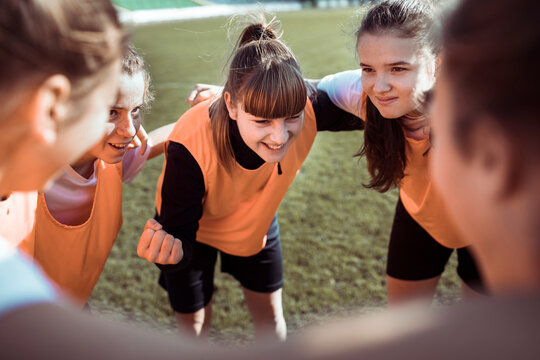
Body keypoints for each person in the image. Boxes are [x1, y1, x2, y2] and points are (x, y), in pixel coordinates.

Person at [136, 16, 362, 342]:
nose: (279, 136)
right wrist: (171, 256)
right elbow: (180, 235)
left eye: (292, 117)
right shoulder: (192, 142)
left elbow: (378, 99)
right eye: (262, 120)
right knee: (194, 330)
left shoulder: (308, 106)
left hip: (254, 223)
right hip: (195, 234)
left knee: (271, 321)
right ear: (230, 104)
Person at [317, 0, 485, 306]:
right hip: (421, 215)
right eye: (368, 68)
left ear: (438, 61)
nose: (379, 86)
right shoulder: (363, 93)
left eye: (398, 68)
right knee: (403, 319)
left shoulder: (479, 106)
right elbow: (299, 90)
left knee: (485, 336)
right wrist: (227, 97)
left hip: (489, 226)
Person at [4, 45, 174, 306]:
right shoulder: (18, 173)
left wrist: (223, 100)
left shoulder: (113, 162)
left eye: (136, 111)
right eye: (111, 112)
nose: (129, 130)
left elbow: (160, 140)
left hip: (66, 309)